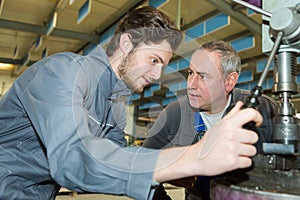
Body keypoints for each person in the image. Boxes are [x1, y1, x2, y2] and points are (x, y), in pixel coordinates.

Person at [0, 7, 262, 199]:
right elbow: (73, 161)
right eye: (154, 60)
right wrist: (191, 157)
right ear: (126, 44)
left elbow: (111, 165)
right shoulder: (62, 72)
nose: (158, 75)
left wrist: (166, 170)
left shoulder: (114, 105)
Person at [143, 40, 278, 200]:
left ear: (229, 82)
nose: (191, 84)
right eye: (191, 73)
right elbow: (141, 166)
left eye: (203, 76)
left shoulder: (263, 109)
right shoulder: (174, 114)